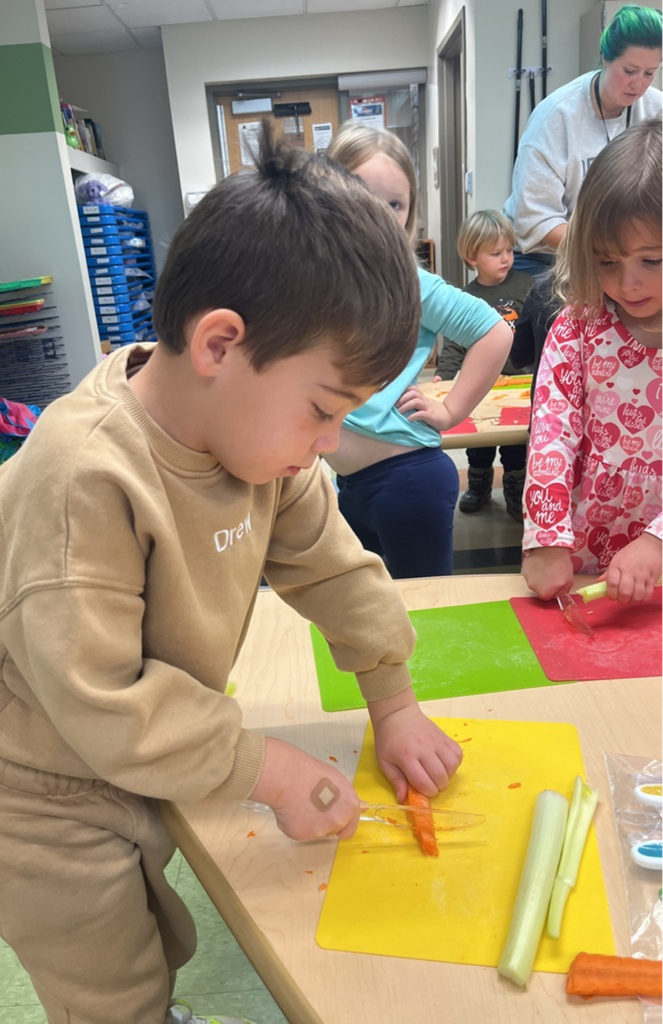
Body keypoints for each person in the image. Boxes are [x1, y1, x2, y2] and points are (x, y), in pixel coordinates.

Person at [0, 124, 464, 1024]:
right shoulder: (83, 474)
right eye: (323, 411)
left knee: (154, 935)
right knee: (108, 977)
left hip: (130, 759)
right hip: (36, 789)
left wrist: (394, 701)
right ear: (219, 345)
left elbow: (339, 571)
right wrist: (266, 765)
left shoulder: (266, 453)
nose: (329, 444)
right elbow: (99, 698)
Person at [325, 122, 513, 579]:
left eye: (394, 204)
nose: (379, 215)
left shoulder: (411, 284)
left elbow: (495, 332)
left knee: (429, 609)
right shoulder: (318, 286)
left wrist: (450, 411)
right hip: (349, 485)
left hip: (407, 480)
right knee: (364, 604)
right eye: (360, 197)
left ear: (409, 216)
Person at [522, 116, 663, 606]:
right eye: (608, 261)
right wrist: (545, 537)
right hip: (581, 562)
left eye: (652, 260)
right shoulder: (577, 328)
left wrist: (657, 541)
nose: (627, 285)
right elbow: (550, 434)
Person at [503, 4, 663, 276]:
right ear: (605, 58)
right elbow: (534, 220)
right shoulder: (555, 117)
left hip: (623, 255)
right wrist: (605, 251)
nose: (639, 84)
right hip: (547, 258)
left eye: (649, 73)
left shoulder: (656, 110)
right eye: (629, 70)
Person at [434, 209, 532, 521]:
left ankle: (516, 488)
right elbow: (455, 343)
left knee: (517, 446)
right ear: (472, 257)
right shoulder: (467, 297)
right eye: (495, 253)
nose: (505, 258)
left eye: (509, 251)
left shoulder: (528, 286)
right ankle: (479, 485)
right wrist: (443, 376)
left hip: (520, 384)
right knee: (480, 445)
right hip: (483, 385)